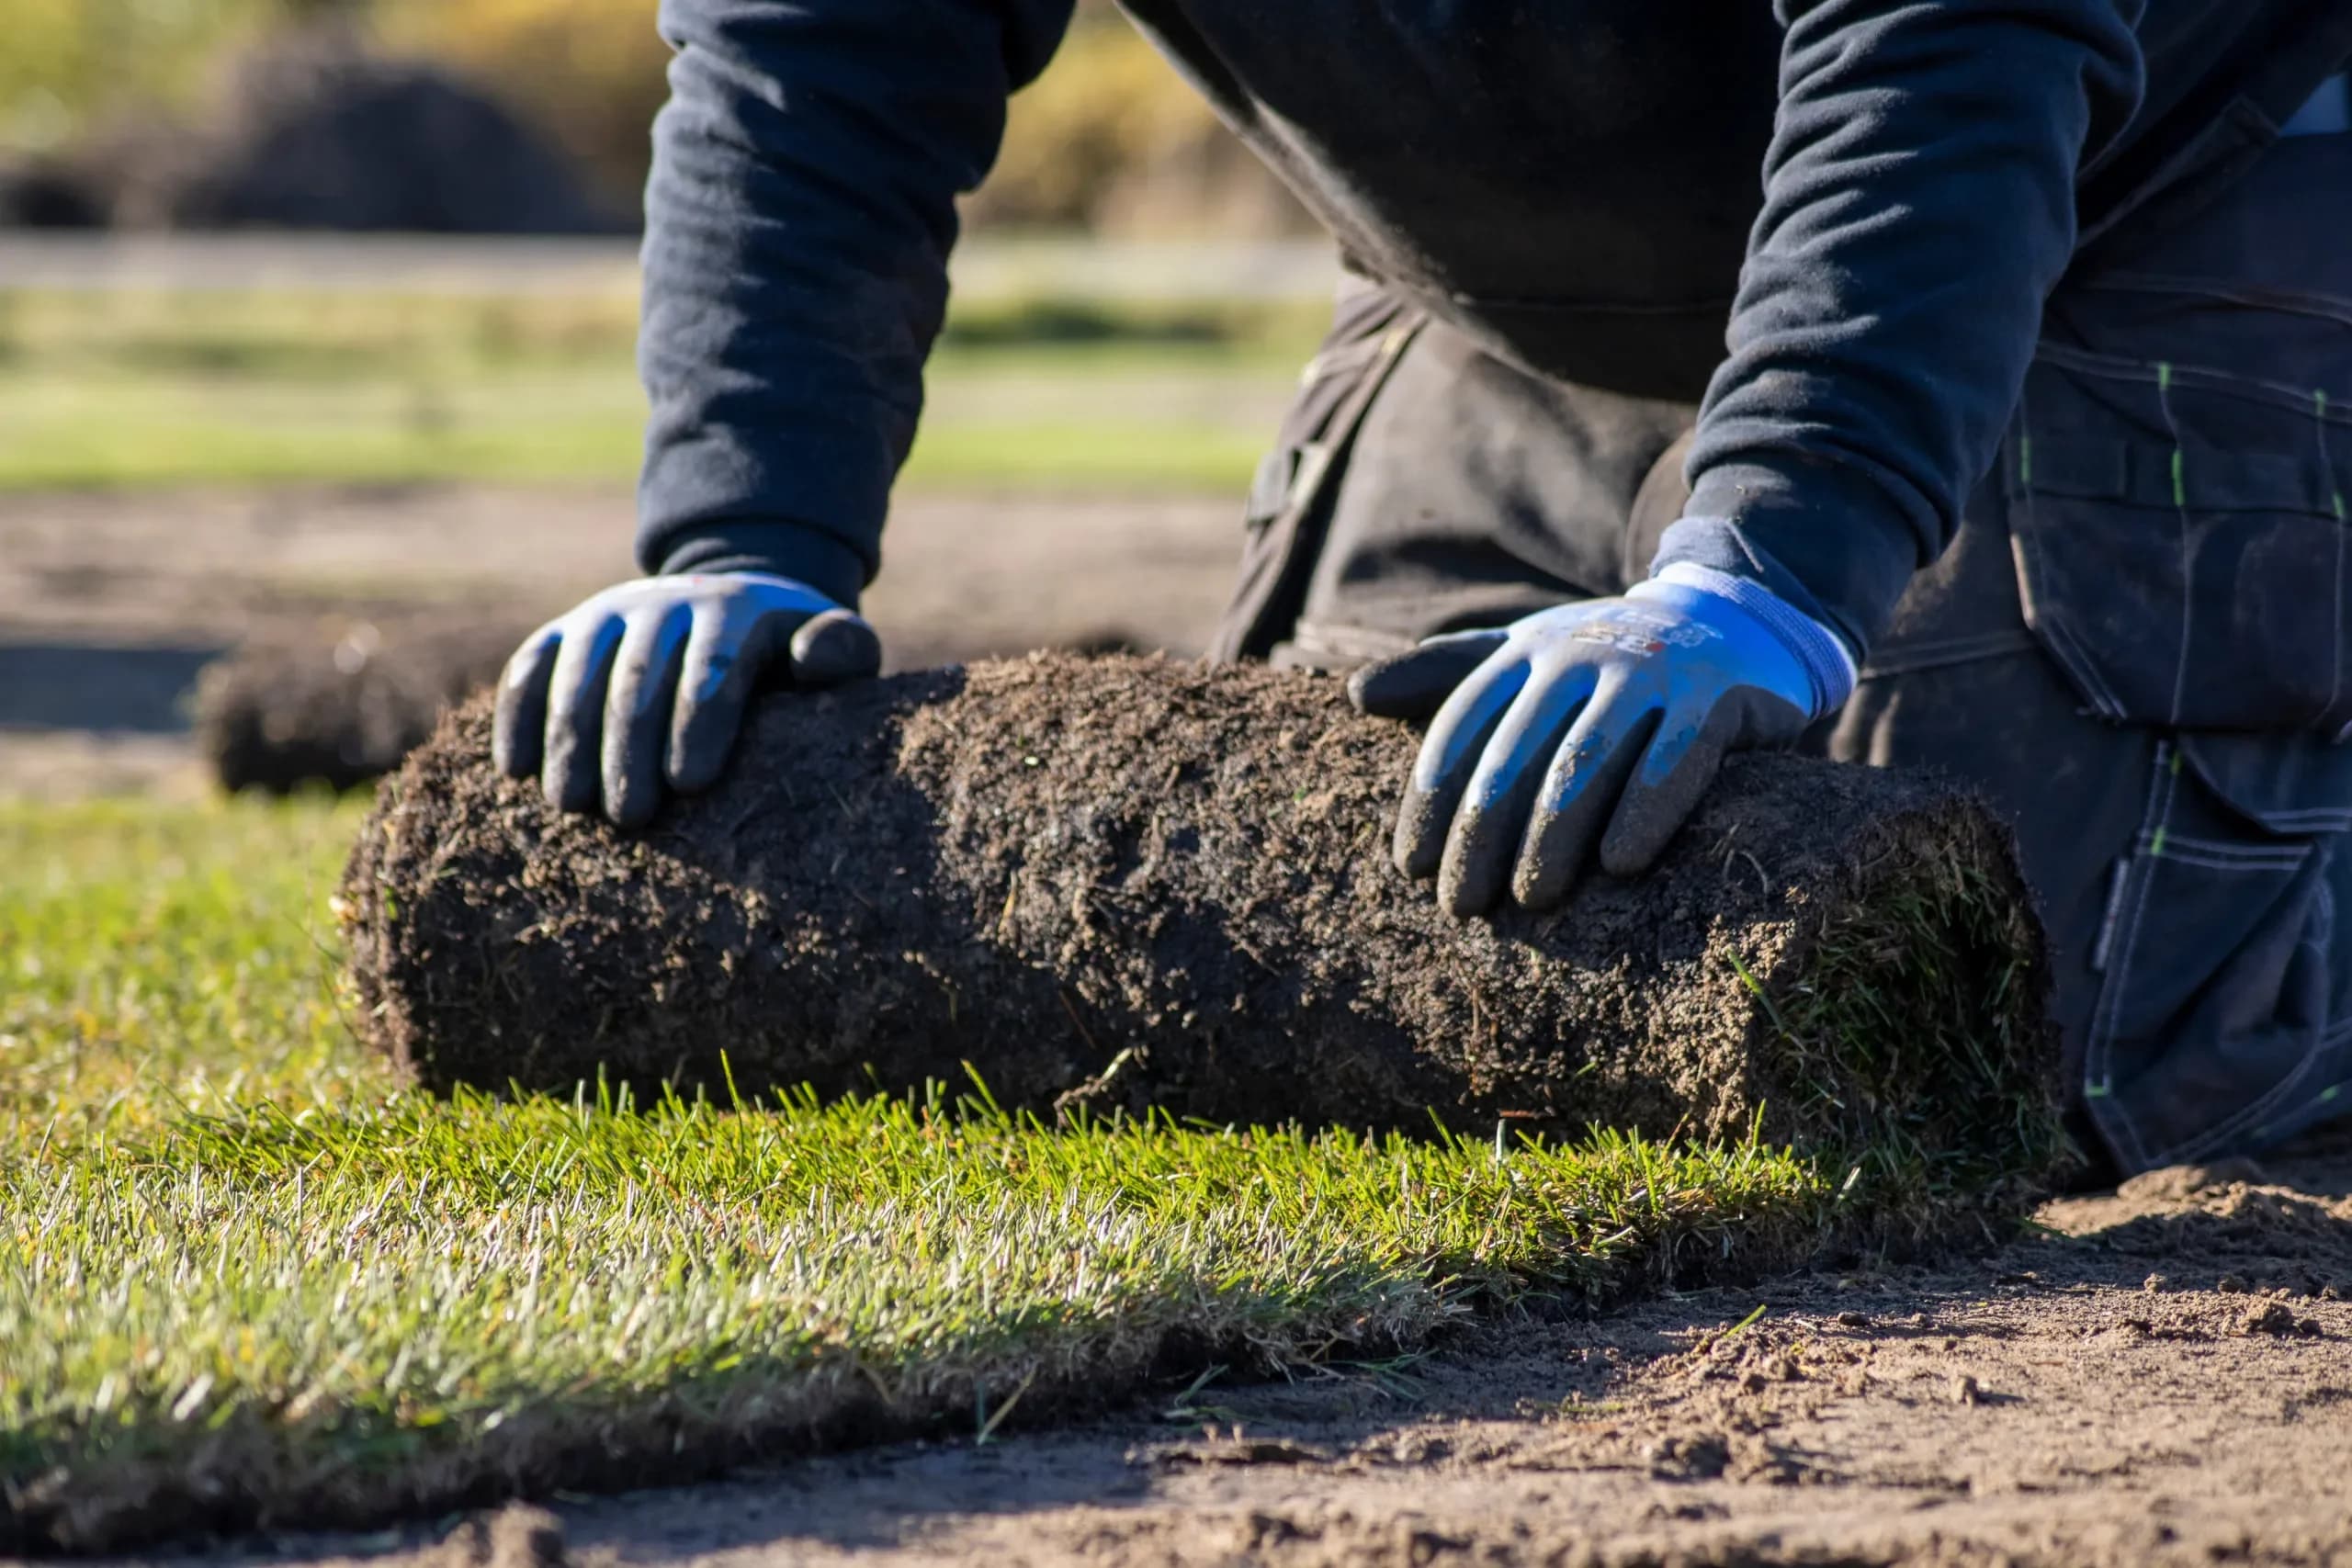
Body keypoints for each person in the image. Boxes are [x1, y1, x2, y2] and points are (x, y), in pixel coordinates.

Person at [494, 2, 2352, 1178]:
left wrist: (1768, 557)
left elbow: (1947, 45)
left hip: (2131, 182)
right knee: (1327, 971)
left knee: (2050, 1037)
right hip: (1492, 279)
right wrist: (743, 529)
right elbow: (816, 50)